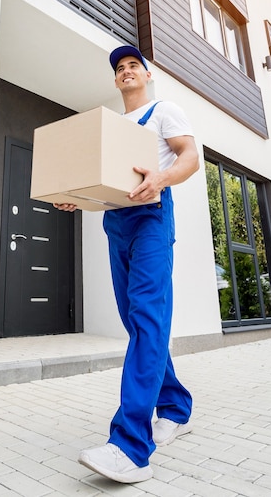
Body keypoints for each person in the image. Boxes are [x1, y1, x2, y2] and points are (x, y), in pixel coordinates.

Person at [55, 45, 200, 483]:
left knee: (147, 318)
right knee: (140, 322)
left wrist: (162, 176)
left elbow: (190, 157)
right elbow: (104, 184)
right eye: (119, 68)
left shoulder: (163, 110)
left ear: (147, 73)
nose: (126, 71)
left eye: (133, 65)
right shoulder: (112, 125)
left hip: (153, 216)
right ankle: (175, 406)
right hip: (116, 222)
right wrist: (77, 198)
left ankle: (130, 447)